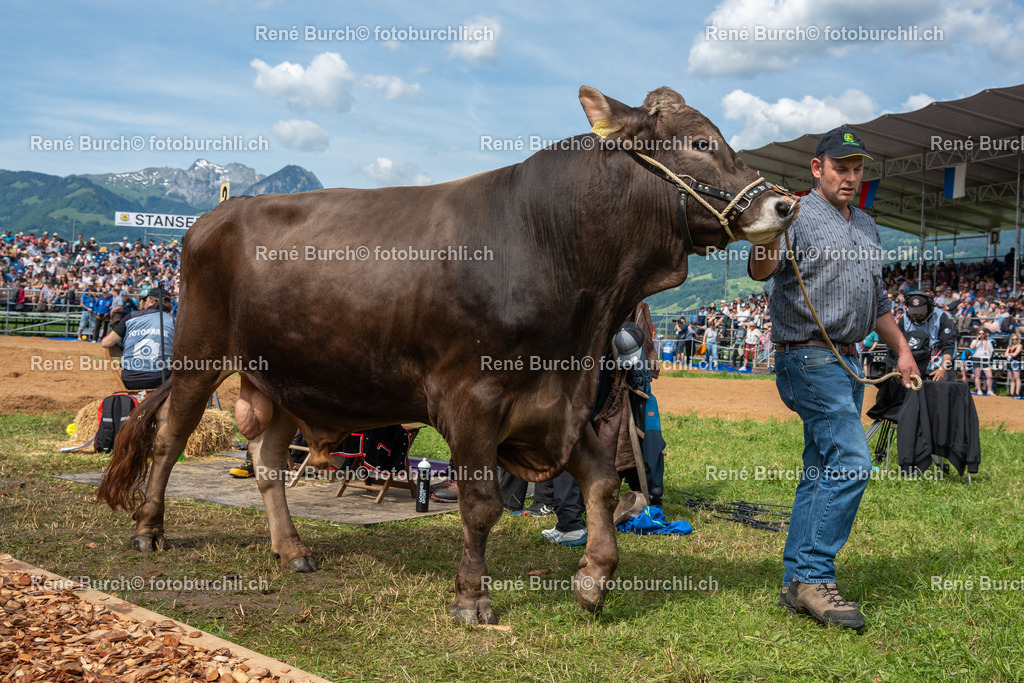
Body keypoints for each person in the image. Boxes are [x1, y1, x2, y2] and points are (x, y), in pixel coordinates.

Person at [748, 125, 916, 630]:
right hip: (807, 357)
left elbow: (879, 302)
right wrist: (767, 228)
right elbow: (760, 271)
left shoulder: (866, 225)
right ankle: (815, 577)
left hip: (849, 362)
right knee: (852, 460)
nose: (849, 177)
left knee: (821, 466)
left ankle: (794, 578)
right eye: (839, 168)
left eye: (857, 168)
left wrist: (903, 350)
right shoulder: (795, 214)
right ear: (817, 168)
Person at [100, 286, 175, 390]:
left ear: (152, 301)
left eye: (145, 300)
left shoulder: (132, 317)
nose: (144, 303)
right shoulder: (172, 321)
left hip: (129, 380)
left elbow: (106, 343)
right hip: (160, 380)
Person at [899, 291, 956, 381]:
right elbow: (898, 345)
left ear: (929, 307)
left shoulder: (941, 317)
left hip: (939, 362)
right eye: (915, 312)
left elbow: (948, 346)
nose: (918, 315)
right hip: (916, 363)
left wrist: (942, 369)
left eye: (921, 312)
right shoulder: (904, 319)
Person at [970, 329, 995, 396]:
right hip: (977, 358)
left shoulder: (988, 342)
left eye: (982, 333)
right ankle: (979, 389)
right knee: (978, 375)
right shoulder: (975, 341)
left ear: (985, 334)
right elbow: (972, 348)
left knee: (989, 376)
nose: (981, 335)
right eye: (979, 333)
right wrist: (977, 340)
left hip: (985, 359)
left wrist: (989, 356)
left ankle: (989, 390)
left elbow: (991, 351)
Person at [1005, 334, 1021, 398]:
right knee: (1011, 378)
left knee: (1017, 378)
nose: (1015, 340)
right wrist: (1010, 354)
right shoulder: (1010, 346)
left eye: (1016, 339)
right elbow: (1005, 354)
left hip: (1015, 362)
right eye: (1013, 339)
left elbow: (1015, 354)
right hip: (1009, 362)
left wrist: (1009, 354)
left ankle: (1017, 393)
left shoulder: (1019, 346)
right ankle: (1011, 393)